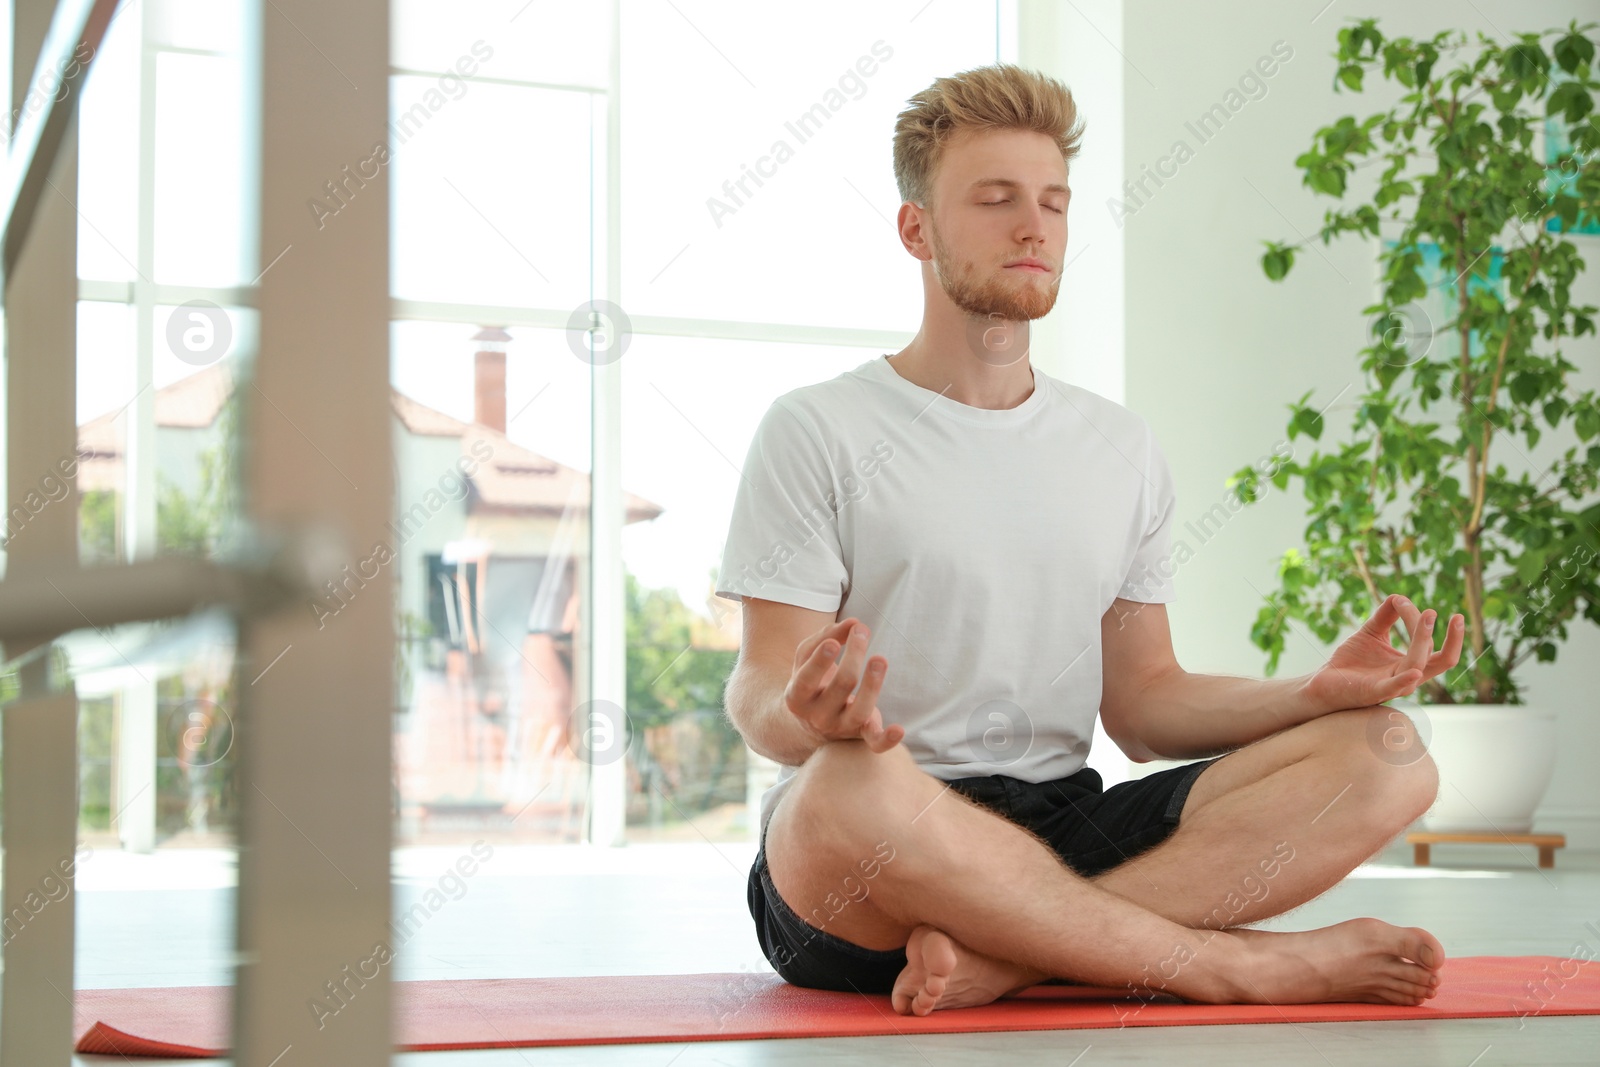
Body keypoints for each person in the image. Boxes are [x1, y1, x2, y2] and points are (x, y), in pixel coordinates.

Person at [713, 62, 1466, 1017]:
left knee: (1392, 749)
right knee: (839, 789)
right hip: (880, 844)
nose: (1034, 226)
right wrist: (809, 721)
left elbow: (1146, 705)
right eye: (995, 200)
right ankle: (1237, 965)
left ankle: (1016, 961)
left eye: (1054, 203)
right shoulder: (817, 427)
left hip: (1065, 822)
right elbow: (757, 689)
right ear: (917, 229)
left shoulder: (1120, 445)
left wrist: (1309, 695)